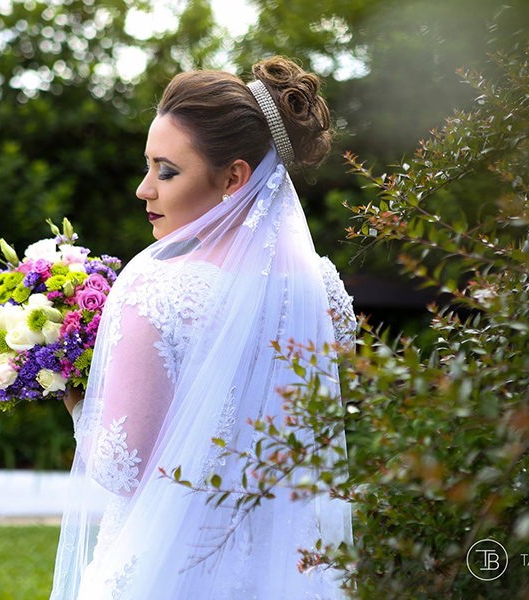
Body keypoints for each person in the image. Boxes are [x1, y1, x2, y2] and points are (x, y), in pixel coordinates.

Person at [50, 56, 356, 600]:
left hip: (170, 569)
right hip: (292, 570)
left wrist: (75, 399)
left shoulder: (154, 289)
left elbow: (122, 468)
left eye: (166, 171)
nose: (144, 189)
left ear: (234, 178)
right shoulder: (324, 288)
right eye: (148, 167)